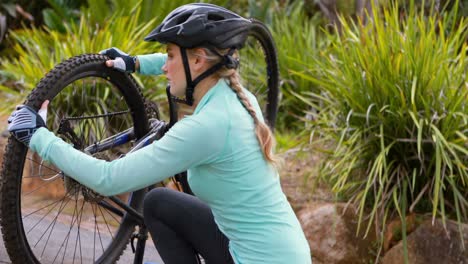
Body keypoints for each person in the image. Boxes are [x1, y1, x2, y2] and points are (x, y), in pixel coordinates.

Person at [7, 3, 311, 264]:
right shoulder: (235, 96)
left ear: (198, 61)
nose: (165, 66)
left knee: (158, 203)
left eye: (169, 56)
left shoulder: (207, 127)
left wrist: (39, 136)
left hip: (256, 258)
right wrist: (134, 63)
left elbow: (109, 179)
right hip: (283, 250)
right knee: (160, 203)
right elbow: (180, 66)